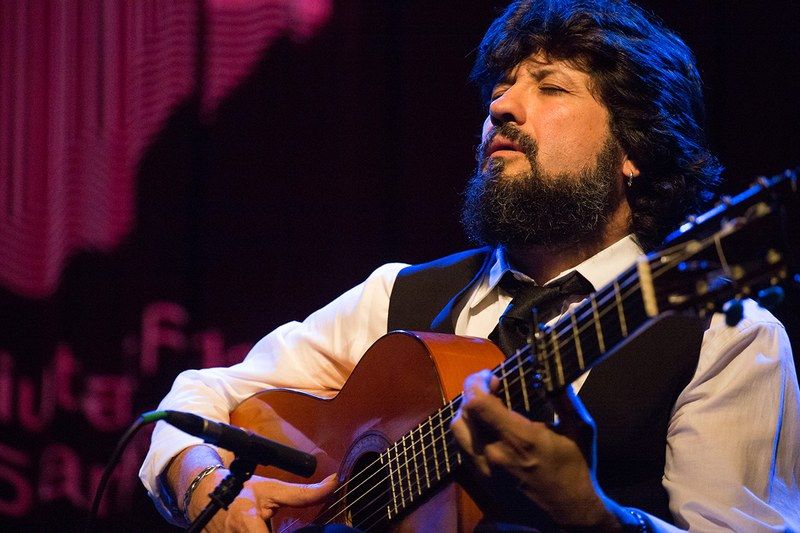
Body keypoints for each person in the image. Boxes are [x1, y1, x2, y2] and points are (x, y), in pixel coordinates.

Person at [140, 0, 800, 531]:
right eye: (502, 85)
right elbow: (195, 402)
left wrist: (592, 518)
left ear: (635, 149)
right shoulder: (395, 298)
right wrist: (206, 488)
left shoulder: (727, 338)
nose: (501, 107)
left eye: (550, 87)